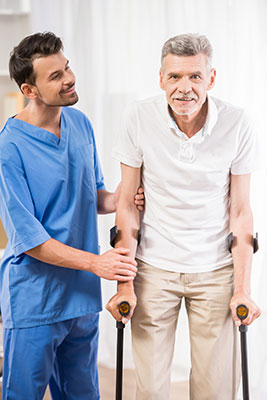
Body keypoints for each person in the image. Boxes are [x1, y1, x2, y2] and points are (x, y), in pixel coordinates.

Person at [106, 33, 261, 400]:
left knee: (216, 388)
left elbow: (240, 211)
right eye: (174, 77)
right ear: (161, 79)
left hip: (215, 270)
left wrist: (242, 288)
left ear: (211, 78)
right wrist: (124, 284)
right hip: (153, 268)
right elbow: (127, 203)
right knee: (151, 390)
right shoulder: (139, 116)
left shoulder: (237, 123)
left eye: (194, 76)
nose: (184, 88)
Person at [0, 32, 144, 400]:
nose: (69, 79)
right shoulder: (9, 147)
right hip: (36, 298)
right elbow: (29, 240)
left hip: (82, 297)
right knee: (23, 394)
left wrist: (123, 197)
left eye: (67, 68)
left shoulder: (79, 123)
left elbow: (92, 195)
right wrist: (98, 263)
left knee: (83, 394)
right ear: (29, 90)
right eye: (55, 76)